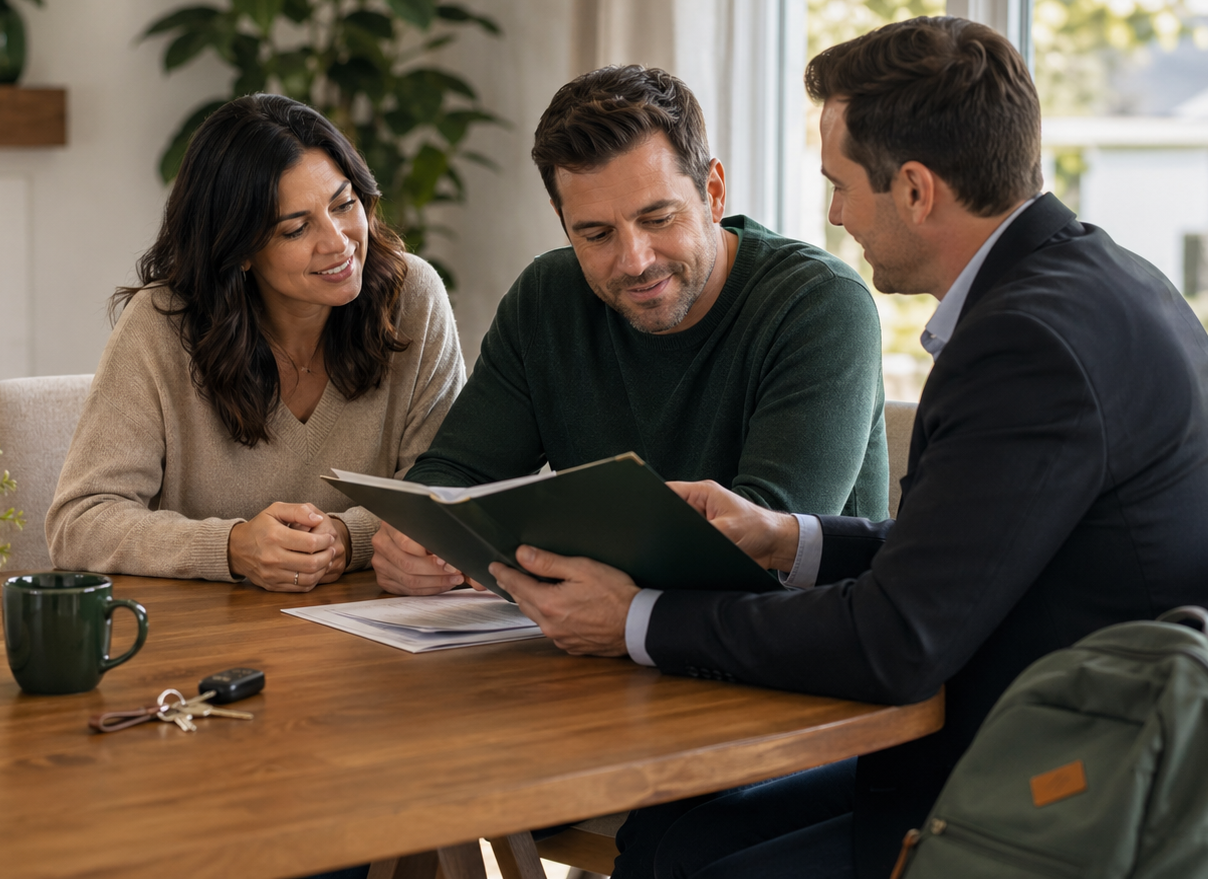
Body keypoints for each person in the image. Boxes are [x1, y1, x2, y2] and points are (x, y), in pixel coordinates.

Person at [487, 17, 1208, 879]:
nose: (834, 214)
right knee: (671, 838)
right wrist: (788, 537)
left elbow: (897, 640)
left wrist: (635, 620)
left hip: (1075, 797)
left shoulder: (1028, 344)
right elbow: (965, 552)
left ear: (919, 190)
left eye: (841, 184)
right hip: (1058, 739)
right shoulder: (1090, 281)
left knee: (683, 862)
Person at [369, 64, 891, 597]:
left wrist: (531, 556)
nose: (635, 261)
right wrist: (418, 541)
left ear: (712, 192)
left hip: (787, 654)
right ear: (562, 218)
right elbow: (455, 474)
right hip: (602, 648)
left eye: (659, 219)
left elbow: (757, 548)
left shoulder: (819, 306)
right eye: (596, 234)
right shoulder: (546, 297)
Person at [48, 94, 466, 594]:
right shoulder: (161, 328)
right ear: (240, 249)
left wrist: (344, 538)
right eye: (296, 228)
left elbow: (445, 489)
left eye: (344, 204)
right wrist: (233, 547)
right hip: (206, 641)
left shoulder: (412, 296)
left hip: (372, 634)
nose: (339, 242)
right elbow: (80, 522)